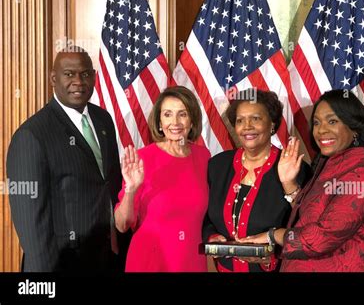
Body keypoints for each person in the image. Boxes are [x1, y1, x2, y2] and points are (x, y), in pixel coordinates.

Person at [241, 90, 364, 272]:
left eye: (332, 121)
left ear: (355, 127)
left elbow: (321, 238)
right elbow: (313, 214)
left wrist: (273, 235)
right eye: (317, 123)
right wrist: (289, 183)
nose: (321, 130)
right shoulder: (332, 161)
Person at [7, 47, 125, 272]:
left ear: (94, 77)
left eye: (85, 74)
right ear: (53, 78)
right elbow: (31, 225)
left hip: (107, 260)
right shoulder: (32, 135)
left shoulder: (103, 120)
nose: (78, 81)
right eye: (69, 74)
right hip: (61, 265)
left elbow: (109, 186)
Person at [202, 89, 311, 272]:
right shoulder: (218, 166)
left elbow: (309, 230)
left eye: (256, 118)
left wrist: (269, 255)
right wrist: (212, 237)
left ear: (272, 125)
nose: (247, 126)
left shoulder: (296, 168)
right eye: (240, 120)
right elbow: (205, 217)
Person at [114, 86, 210, 272]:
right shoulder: (142, 159)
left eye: (182, 114)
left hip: (192, 262)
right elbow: (121, 224)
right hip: (149, 262)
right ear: (159, 122)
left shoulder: (203, 156)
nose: (175, 122)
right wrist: (131, 189)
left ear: (192, 121)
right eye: (167, 114)